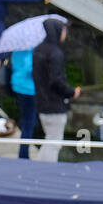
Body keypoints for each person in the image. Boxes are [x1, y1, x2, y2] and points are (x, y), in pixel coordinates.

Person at [32, 18, 79, 163]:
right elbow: (56, 81)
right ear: (58, 31)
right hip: (54, 105)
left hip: (41, 102)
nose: (66, 33)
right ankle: (46, 172)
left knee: (49, 139)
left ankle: (40, 169)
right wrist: (71, 92)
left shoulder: (38, 49)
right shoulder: (55, 53)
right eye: (64, 29)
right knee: (54, 142)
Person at [10, 47, 37, 160]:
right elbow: (29, 67)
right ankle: (23, 155)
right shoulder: (30, 48)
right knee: (29, 122)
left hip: (17, 84)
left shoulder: (17, 46)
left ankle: (23, 151)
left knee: (27, 119)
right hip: (28, 88)